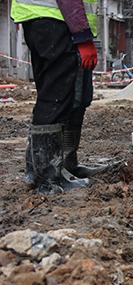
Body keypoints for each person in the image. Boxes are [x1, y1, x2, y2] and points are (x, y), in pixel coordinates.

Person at [11, 0, 107, 194]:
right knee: (57, 98)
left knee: (68, 96)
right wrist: (82, 37)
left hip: (49, 21)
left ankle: (60, 166)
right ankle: (48, 178)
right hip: (57, 22)